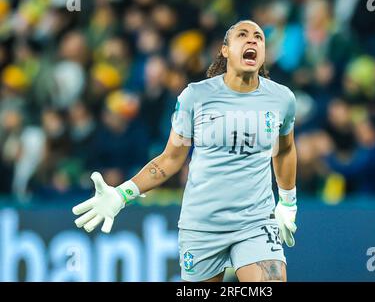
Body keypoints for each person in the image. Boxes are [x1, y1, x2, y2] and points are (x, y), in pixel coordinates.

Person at [72, 20, 298, 282]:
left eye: (258, 37)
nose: (252, 40)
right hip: (201, 225)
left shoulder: (281, 99)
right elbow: (170, 159)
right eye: (243, 35)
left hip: (255, 222)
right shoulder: (195, 97)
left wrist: (288, 201)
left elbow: (284, 150)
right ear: (225, 50)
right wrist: (122, 194)